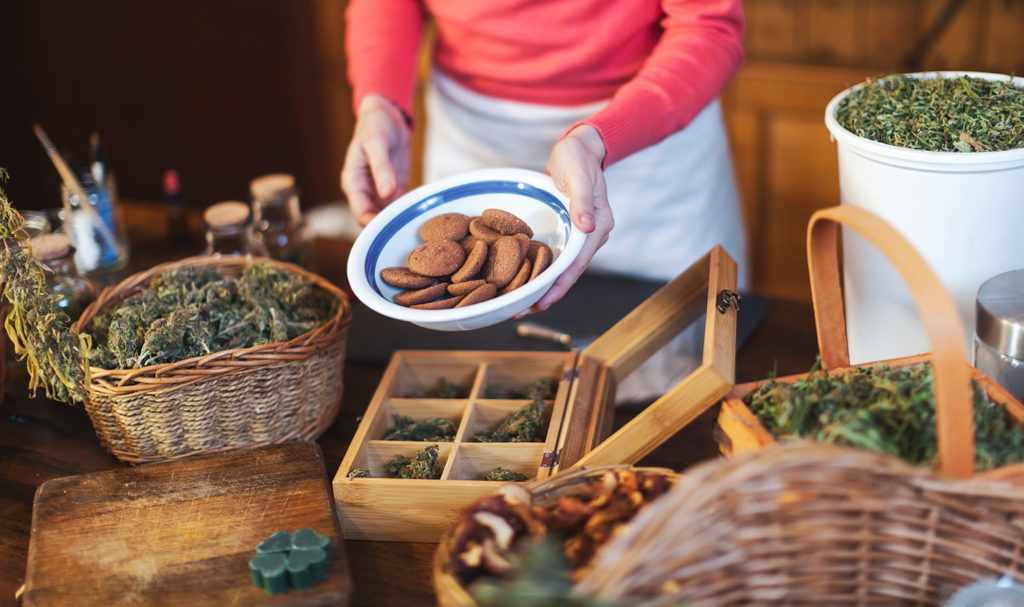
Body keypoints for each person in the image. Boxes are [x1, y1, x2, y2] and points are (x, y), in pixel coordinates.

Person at [341, 0, 749, 399]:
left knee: (676, 372)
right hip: (472, 132)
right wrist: (381, 101)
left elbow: (708, 24)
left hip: (647, 137)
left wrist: (599, 139)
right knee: (493, 380)